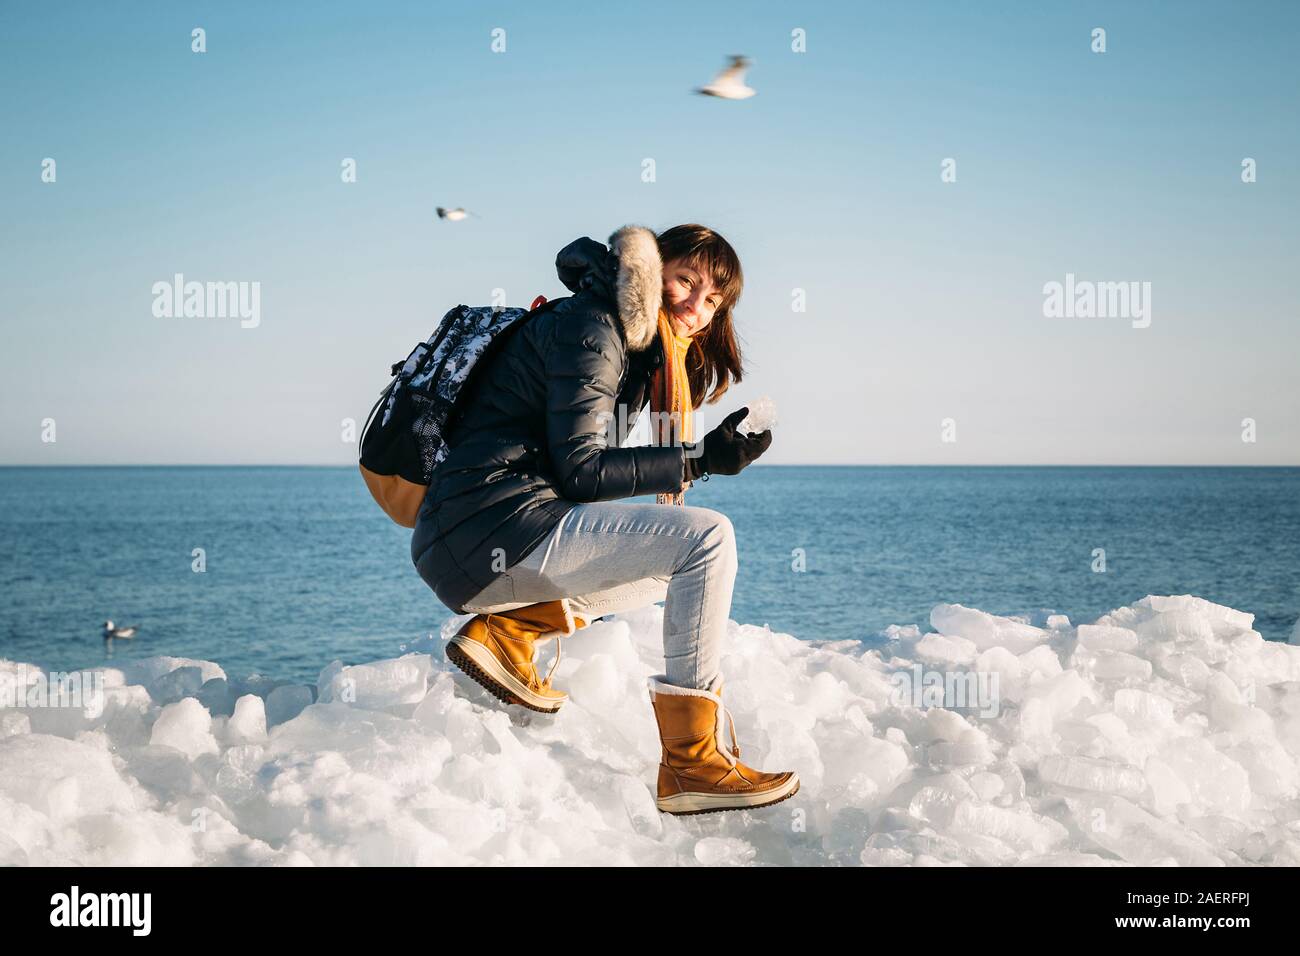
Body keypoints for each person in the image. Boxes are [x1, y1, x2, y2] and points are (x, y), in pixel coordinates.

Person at [411, 224, 798, 815]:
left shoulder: (634, 344)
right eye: (685, 281)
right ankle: (694, 762)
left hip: (482, 534)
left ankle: (508, 633)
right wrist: (701, 459)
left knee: (667, 566)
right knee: (708, 539)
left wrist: (698, 459)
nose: (695, 307)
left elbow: (581, 478)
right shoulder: (595, 326)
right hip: (493, 524)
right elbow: (582, 472)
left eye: (714, 301)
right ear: (652, 270)